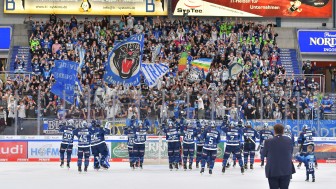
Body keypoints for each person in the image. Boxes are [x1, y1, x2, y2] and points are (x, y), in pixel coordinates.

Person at [263, 124, 295, 189]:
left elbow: (264, 154)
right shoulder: (289, 140)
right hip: (286, 169)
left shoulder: (268, 141)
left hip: (273, 170)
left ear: (274, 131)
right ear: (283, 131)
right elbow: (290, 152)